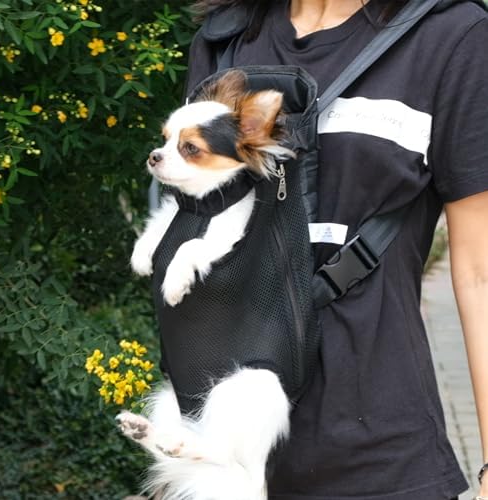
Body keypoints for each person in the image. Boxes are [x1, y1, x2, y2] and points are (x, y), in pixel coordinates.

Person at [181, 0, 488, 499]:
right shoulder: (227, 41)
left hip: (380, 449)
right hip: (227, 452)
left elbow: (479, 272)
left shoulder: (450, 35)